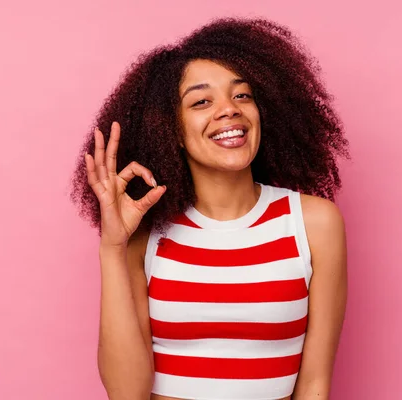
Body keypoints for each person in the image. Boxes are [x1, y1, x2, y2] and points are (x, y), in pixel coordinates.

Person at [71, 17, 349, 400]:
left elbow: (315, 382)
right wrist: (113, 247)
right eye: (201, 101)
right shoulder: (147, 232)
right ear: (172, 131)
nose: (228, 110)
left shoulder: (314, 223)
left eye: (242, 95)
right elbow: (125, 393)